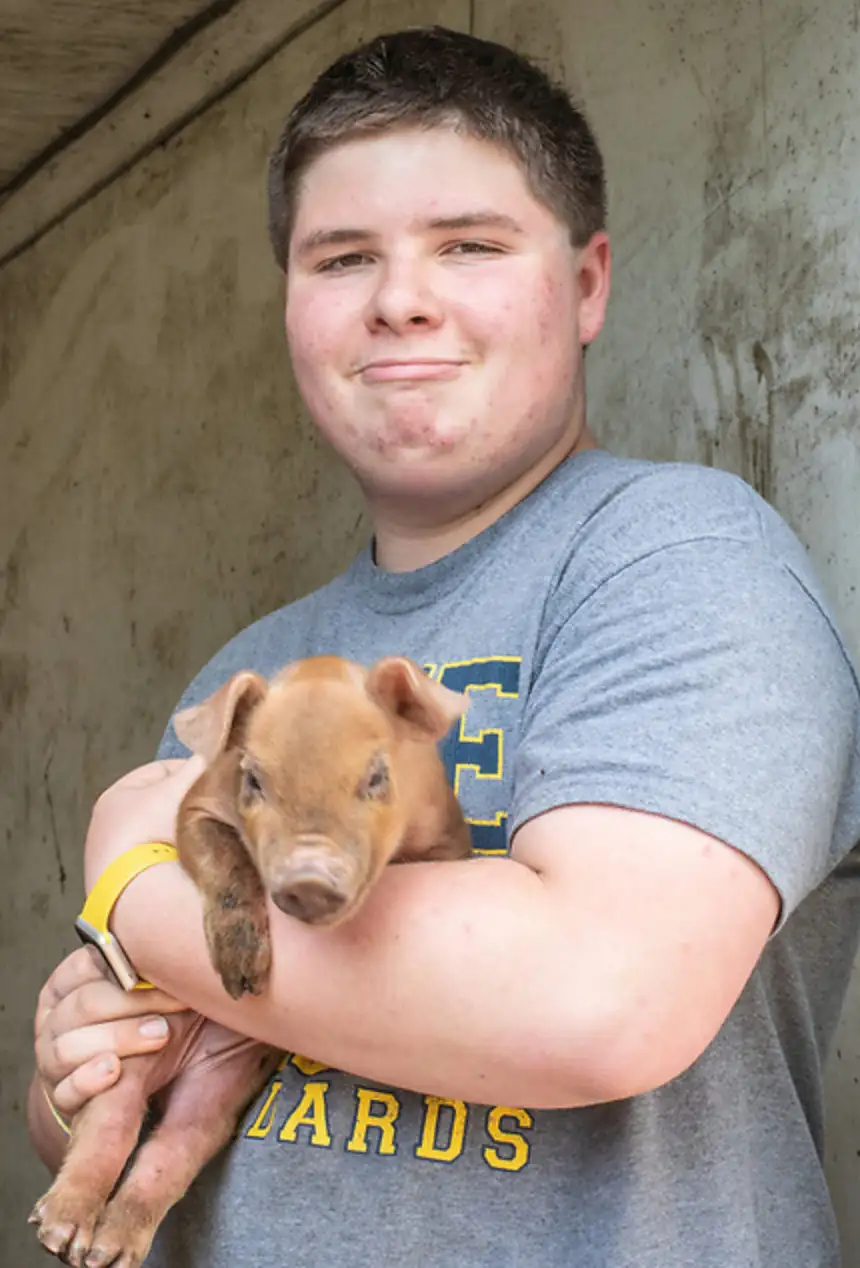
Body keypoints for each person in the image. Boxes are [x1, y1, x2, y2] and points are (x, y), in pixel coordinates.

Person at [28, 24, 860, 1268]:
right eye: (341, 256)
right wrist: (78, 1064)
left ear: (585, 285)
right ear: (292, 306)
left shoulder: (674, 558)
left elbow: (593, 999)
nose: (399, 296)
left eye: (467, 244)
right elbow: (148, 1069)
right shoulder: (253, 664)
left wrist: (133, 874)